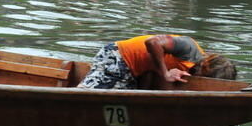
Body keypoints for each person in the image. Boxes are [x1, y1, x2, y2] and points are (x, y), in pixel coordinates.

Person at [79, 34, 237, 89]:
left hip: (134, 72)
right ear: (205, 70)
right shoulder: (189, 48)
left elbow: (150, 68)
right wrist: (165, 73)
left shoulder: (189, 71)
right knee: (91, 95)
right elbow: (152, 42)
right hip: (117, 56)